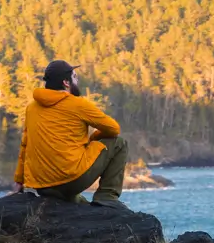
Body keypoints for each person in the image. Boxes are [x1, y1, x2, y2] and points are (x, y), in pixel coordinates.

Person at [12, 59, 130, 210]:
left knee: (73, 191)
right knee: (119, 143)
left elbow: (25, 145)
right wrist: (92, 139)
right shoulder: (77, 104)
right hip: (70, 181)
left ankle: (72, 199)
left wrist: (19, 181)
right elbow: (113, 129)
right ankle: (107, 197)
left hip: (43, 187)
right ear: (66, 83)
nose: (77, 80)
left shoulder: (31, 108)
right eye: (75, 77)